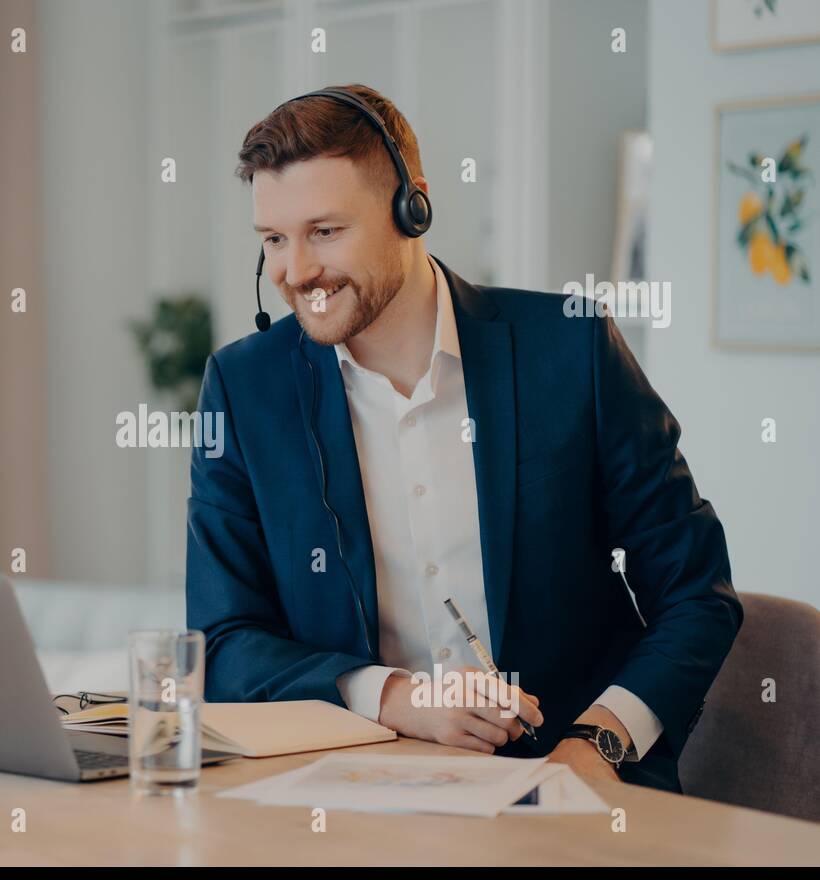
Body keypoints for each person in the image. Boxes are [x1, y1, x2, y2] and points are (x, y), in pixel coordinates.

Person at [185, 84, 742, 792]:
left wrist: (596, 745)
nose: (295, 273)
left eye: (325, 231)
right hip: (350, 795)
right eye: (273, 240)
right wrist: (394, 698)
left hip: (572, 785)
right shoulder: (243, 388)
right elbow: (223, 642)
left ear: (411, 207)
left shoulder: (569, 350)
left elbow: (698, 596)